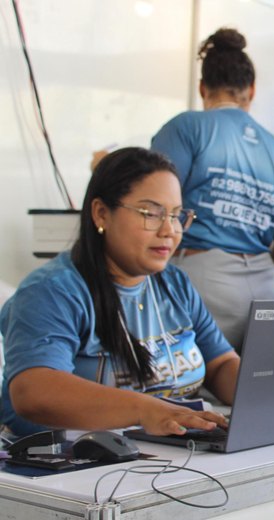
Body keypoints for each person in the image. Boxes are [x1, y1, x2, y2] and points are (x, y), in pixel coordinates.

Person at [0, 148, 237, 437]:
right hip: (73, 463)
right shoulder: (52, 292)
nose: (169, 230)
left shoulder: (175, 284)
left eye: (176, 215)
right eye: (151, 213)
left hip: (169, 453)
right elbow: (33, 391)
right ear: (101, 214)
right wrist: (146, 409)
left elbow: (221, 362)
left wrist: (268, 392)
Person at [150, 28, 274, 350]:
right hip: (266, 285)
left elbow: (154, 203)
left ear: (202, 87)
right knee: (254, 390)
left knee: (189, 389)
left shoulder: (186, 127)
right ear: (251, 90)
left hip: (202, 280)